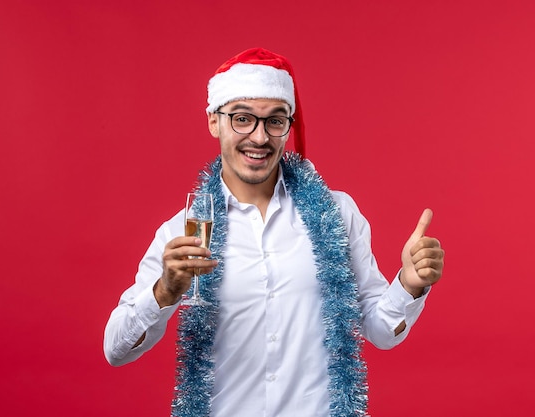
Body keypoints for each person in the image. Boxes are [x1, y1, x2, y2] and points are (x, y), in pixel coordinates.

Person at [104, 47, 445, 417]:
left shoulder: (337, 215)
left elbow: (379, 331)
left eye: (274, 121)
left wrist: (409, 285)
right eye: (242, 119)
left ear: (288, 127)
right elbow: (116, 350)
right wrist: (164, 292)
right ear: (213, 122)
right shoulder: (183, 233)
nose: (260, 137)